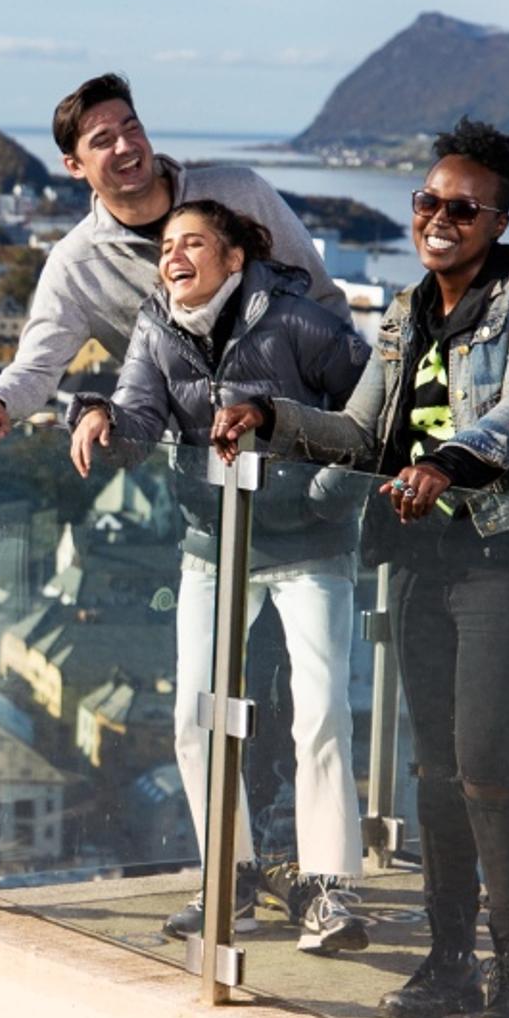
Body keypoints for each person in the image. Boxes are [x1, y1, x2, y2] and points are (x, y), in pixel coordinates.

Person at [248, 119, 509, 1018]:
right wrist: (271, 415)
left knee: (487, 770)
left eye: (462, 208)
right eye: (428, 201)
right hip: (426, 561)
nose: (439, 218)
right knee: (433, 771)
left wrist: (453, 460)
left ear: (497, 218)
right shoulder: (403, 312)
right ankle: (448, 960)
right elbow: (360, 433)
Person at [92, 200, 375, 953]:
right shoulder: (157, 325)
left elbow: (373, 419)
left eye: (192, 243)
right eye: (165, 248)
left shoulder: (298, 321)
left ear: (234, 258)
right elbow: (139, 413)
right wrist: (96, 420)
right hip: (212, 541)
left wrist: (324, 495)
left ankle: (328, 890)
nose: (173, 257)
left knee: (320, 713)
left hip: (308, 542)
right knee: (194, 716)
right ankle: (234, 876)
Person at [0, 74, 335, 445]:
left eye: (132, 128)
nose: (125, 146)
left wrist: (340, 431)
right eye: (103, 140)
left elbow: (324, 302)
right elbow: (37, 366)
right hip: (198, 470)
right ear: (74, 166)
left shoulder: (240, 193)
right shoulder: (76, 264)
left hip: (304, 446)